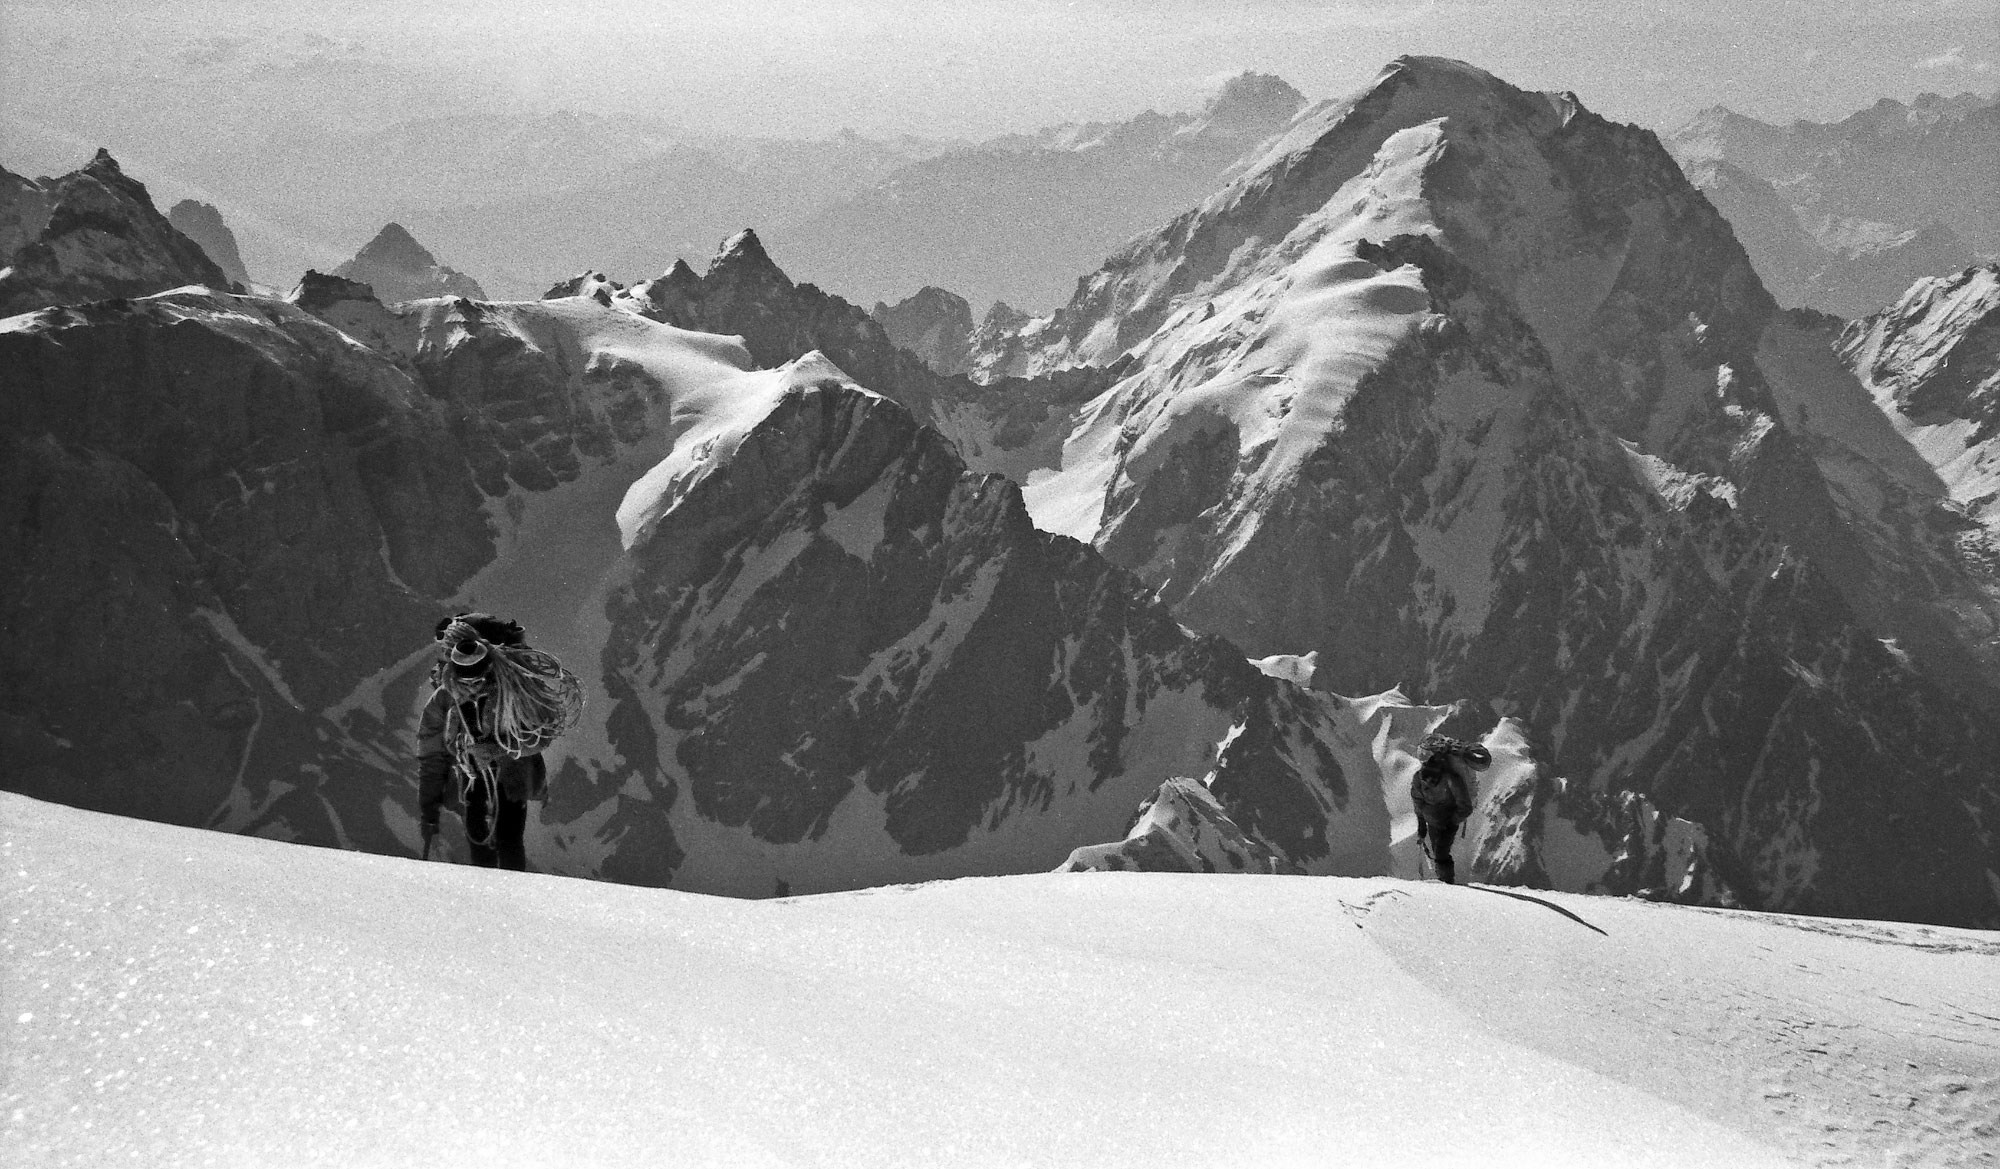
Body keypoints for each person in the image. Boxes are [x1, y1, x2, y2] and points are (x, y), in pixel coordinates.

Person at [417, 613, 549, 871]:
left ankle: (491, 891)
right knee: (504, 840)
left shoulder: (451, 696)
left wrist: (429, 808)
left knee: (497, 839)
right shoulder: (451, 697)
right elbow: (431, 755)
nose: (472, 687)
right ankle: (506, 891)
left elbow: (432, 752)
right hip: (503, 776)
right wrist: (429, 810)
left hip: (490, 777)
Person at [1410, 733, 1491, 884]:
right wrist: (1450, 821)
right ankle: (1445, 882)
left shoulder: (1422, 777)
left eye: (1425, 755)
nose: (1423, 759)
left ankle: (1446, 884)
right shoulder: (1446, 777)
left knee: (1440, 854)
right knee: (1440, 853)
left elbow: (1418, 802)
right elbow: (1464, 806)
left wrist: (1445, 823)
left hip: (1439, 820)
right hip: (1441, 820)